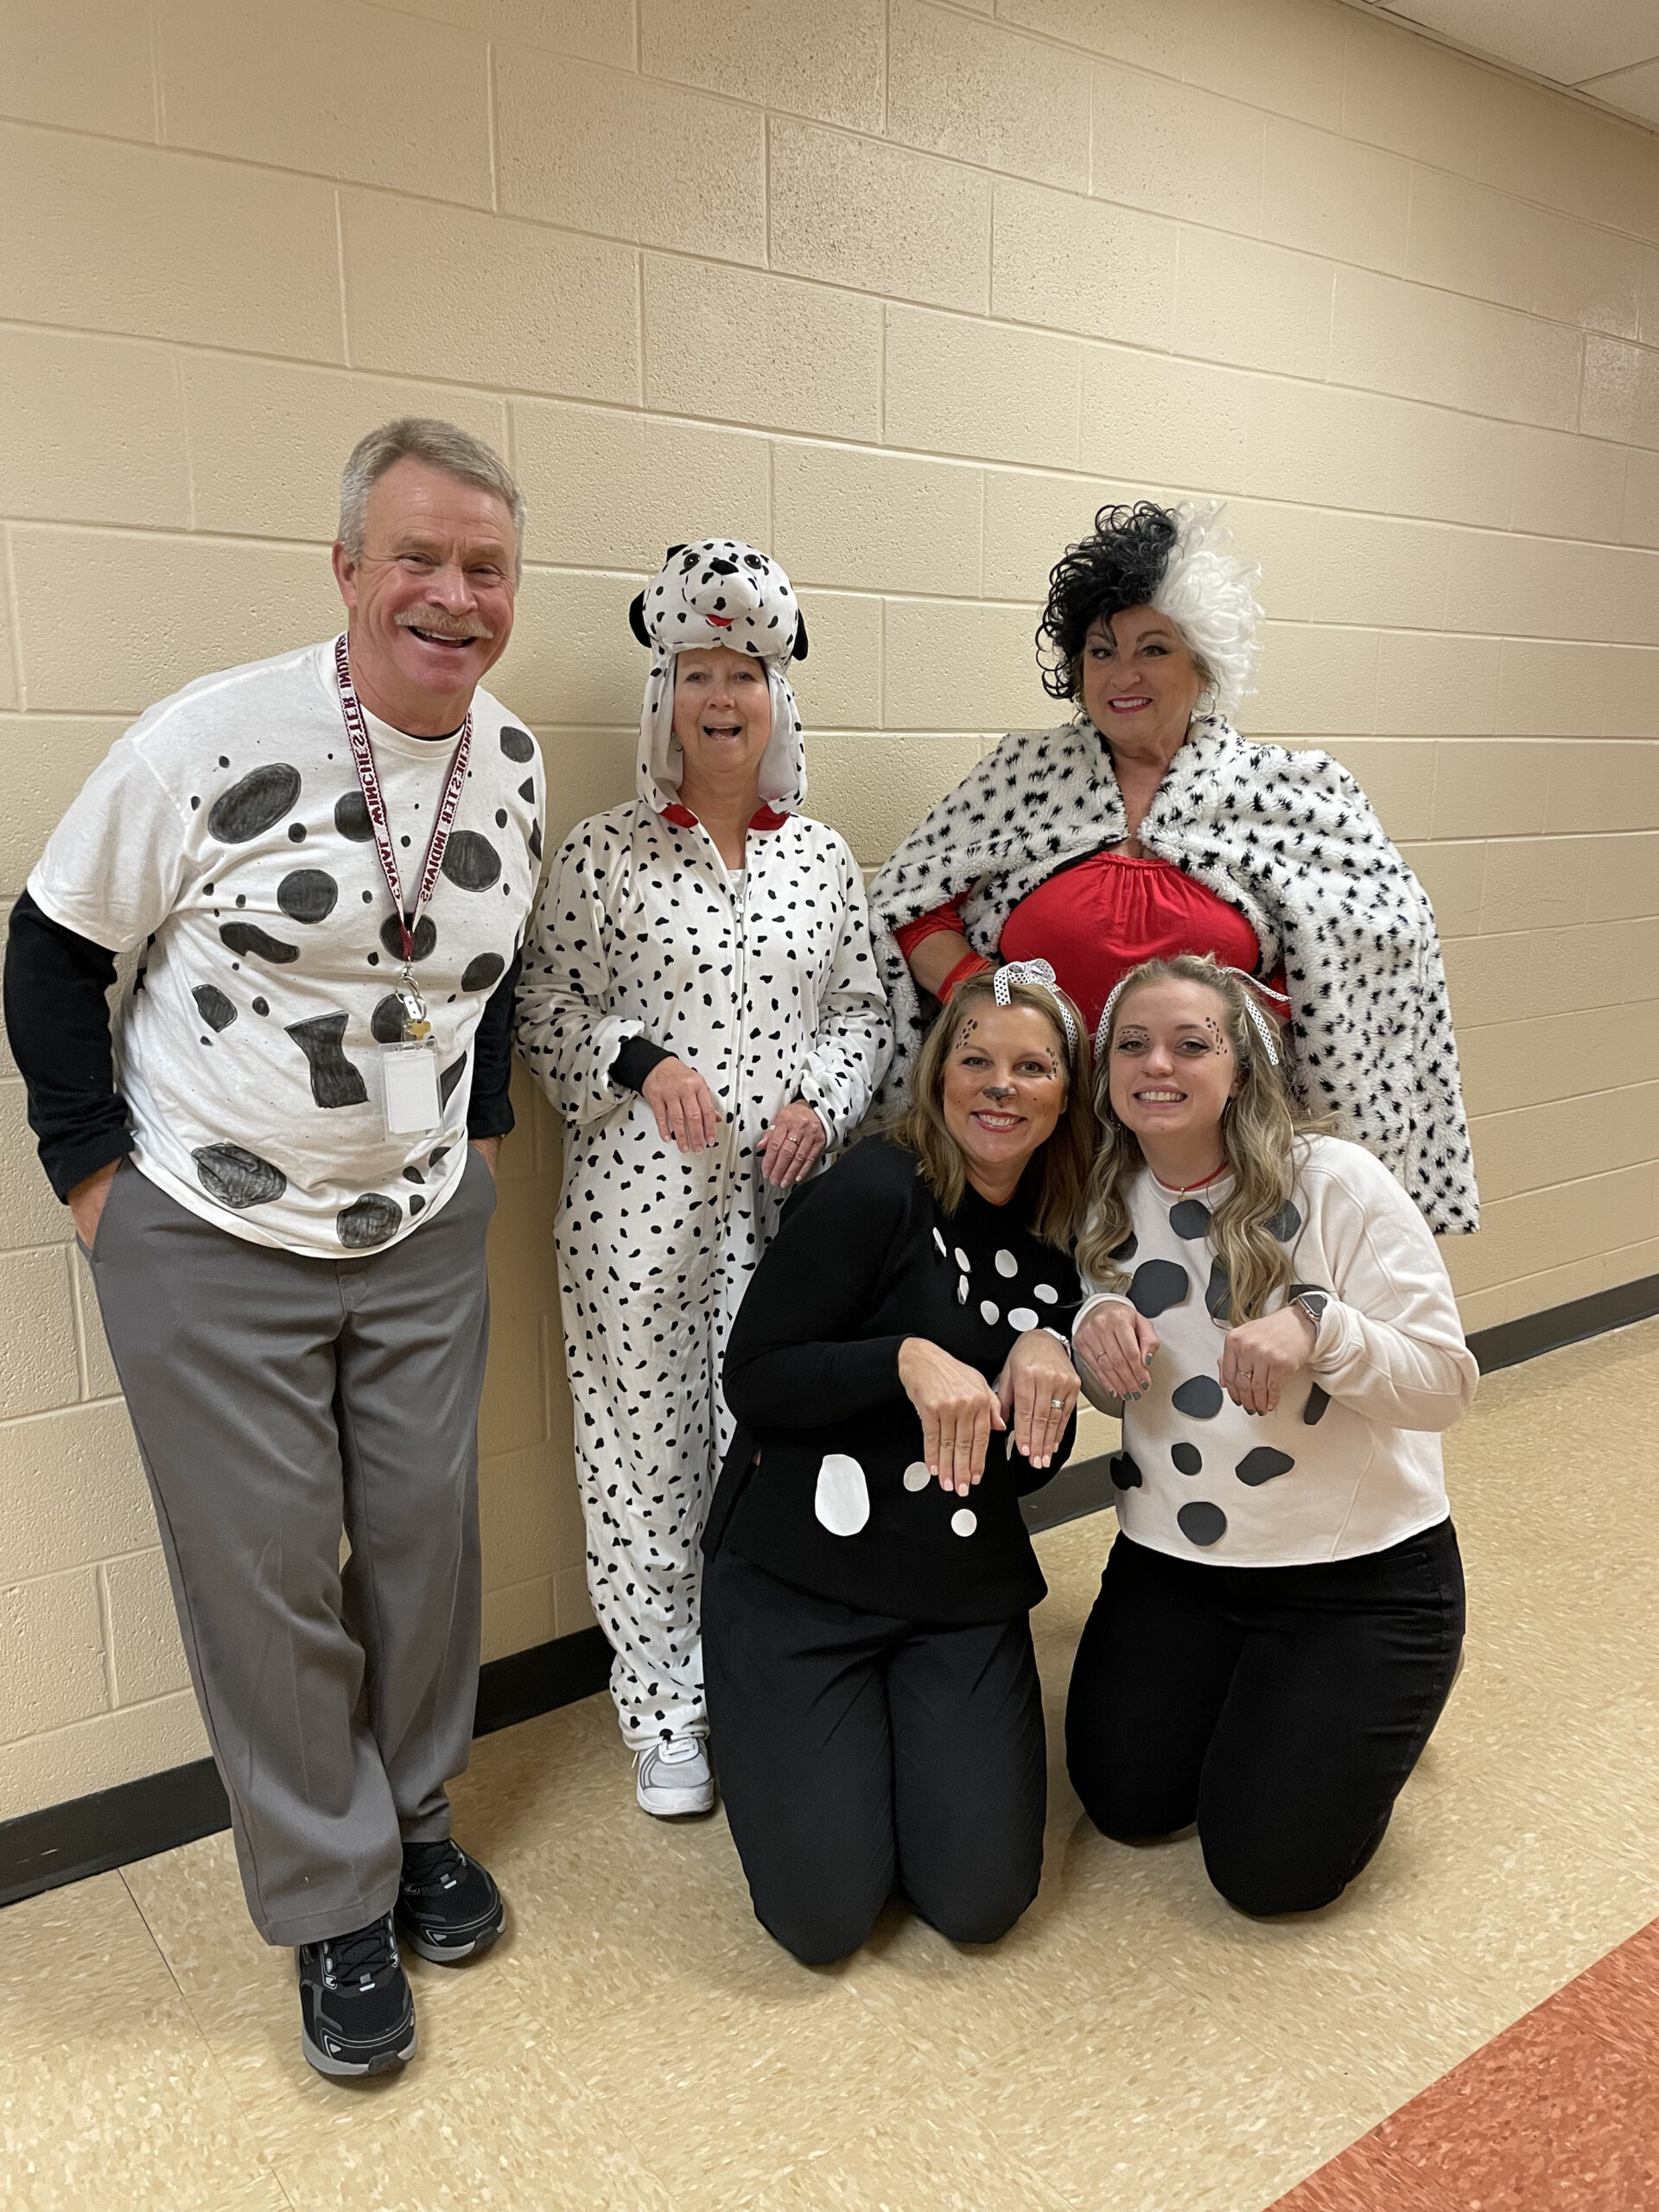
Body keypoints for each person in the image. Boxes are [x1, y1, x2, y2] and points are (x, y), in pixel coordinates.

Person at [3, 419, 543, 2081]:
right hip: (210, 1230)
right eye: (420, 560)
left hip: (415, 1229)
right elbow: (48, 947)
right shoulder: (208, 741)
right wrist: (96, 1180)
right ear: (348, 572)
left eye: (486, 568)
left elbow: (490, 966)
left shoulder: (510, 759)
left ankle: (417, 1818)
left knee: (421, 1547)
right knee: (263, 1576)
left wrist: (478, 1148)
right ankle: (328, 1901)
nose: (451, 598)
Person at [516, 540, 891, 1818]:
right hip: (636, 1223)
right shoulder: (604, 852)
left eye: (745, 672)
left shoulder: (822, 860)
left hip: (787, 1220)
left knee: (771, 1452)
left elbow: (862, 1011)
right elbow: (541, 999)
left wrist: (820, 1101)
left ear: (780, 695)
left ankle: (762, 1684)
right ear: (662, 695)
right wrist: (636, 1059)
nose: (722, 697)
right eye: (697, 673)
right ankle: (666, 1714)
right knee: (644, 1465)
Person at [868, 500, 1477, 1237]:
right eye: (1100, 651)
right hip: (1039, 1142)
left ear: (1204, 661)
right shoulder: (1021, 776)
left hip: (1213, 1155)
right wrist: (991, 997)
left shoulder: (1286, 792)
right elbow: (906, 901)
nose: (1123, 674)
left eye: (1153, 648)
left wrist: (1259, 1020)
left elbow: (1383, 941)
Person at [1065, 953, 1476, 1916]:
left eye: (1190, 1043)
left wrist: (1319, 1327)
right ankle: (1268, 1696)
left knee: (1267, 1876)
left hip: (1358, 1575)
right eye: (1133, 1043)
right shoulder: (1102, 1190)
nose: (1156, 1063)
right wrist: (1090, 1334)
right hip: (1177, 1561)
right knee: (1127, 1802)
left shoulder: (1335, 1181)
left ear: (1242, 1069)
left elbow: (1447, 1386)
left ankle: (1402, 1679)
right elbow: (1100, 1366)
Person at [702, 962, 1093, 1964]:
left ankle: (898, 1738)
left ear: (1066, 1093)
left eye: (1031, 1066)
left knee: (980, 1903)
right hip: (802, 1580)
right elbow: (757, 1376)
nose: (1000, 1085)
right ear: (939, 1073)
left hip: (953, 1585)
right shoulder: (877, 1186)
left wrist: (1048, 1373)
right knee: (825, 1921)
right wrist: (903, 1360)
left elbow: (1026, 1474)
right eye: (977, 1060)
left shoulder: (1063, 1245)